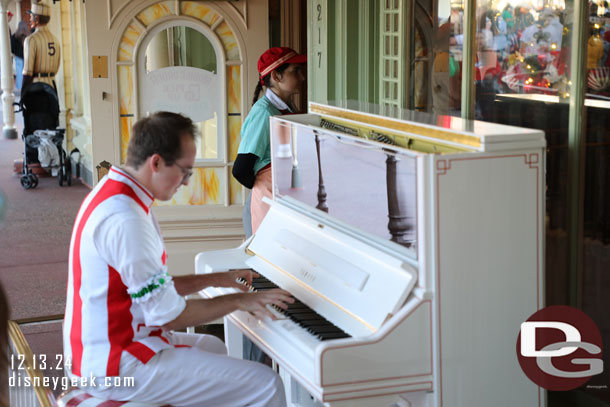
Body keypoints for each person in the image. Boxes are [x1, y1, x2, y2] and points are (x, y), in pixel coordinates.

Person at [63, 112, 292, 407]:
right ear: (155, 162)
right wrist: (239, 301)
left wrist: (219, 279)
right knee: (266, 384)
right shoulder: (125, 219)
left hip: (105, 348)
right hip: (114, 366)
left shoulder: (116, 194)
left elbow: (149, 287)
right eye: (185, 171)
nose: (185, 182)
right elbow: (167, 315)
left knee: (213, 346)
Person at [232, 47, 306, 236]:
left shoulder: (285, 108)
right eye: (295, 71)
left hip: (280, 198)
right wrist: (266, 186)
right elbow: (241, 169)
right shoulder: (265, 112)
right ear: (276, 76)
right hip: (266, 200)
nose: (302, 77)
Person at [22, 2, 61, 93]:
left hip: (36, 88)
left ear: (37, 18)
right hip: (52, 86)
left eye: (31, 16)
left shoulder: (31, 40)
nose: (30, 19)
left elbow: (28, 72)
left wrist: (23, 92)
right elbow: (57, 67)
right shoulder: (55, 40)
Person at [11, 21, 29, 92]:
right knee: (27, 72)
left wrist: (16, 53)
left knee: (19, 73)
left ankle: (20, 88)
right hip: (27, 57)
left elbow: (12, 48)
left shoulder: (14, 36)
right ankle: (27, 86)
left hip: (18, 57)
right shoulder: (29, 35)